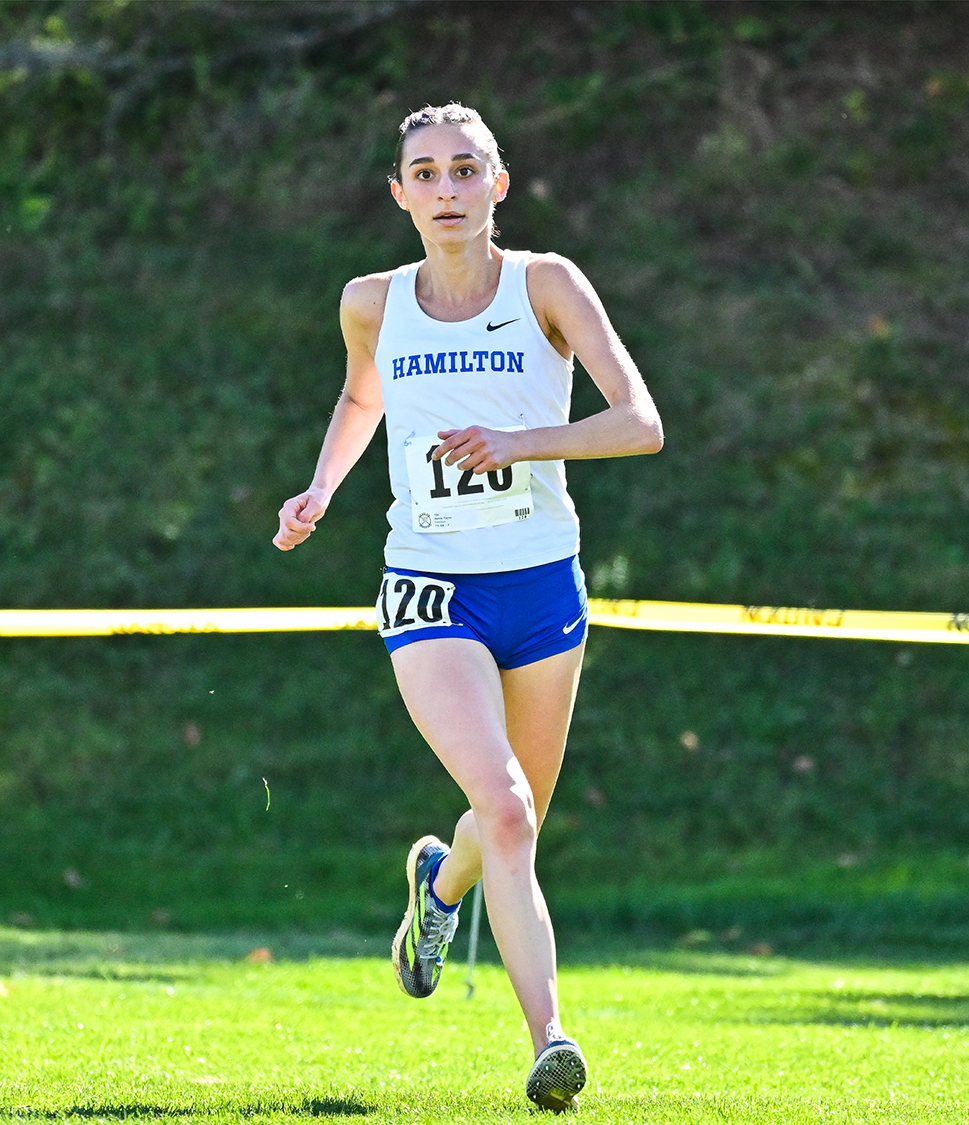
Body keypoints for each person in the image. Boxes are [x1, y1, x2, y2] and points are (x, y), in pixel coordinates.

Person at [273, 102, 662, 1112]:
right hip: (429, 583)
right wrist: (322, 489)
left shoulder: (548, 285)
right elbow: (363, 399)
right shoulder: (371, 302)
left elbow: (638, 424)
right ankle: (551, 1045)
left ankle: (438, 887)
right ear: (400, 194)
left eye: (463, 171)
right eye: (425, 174)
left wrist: (518, 442)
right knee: (509, 806)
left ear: (498, 184)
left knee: (513, 819)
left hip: (542, 585)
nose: (445, 191)